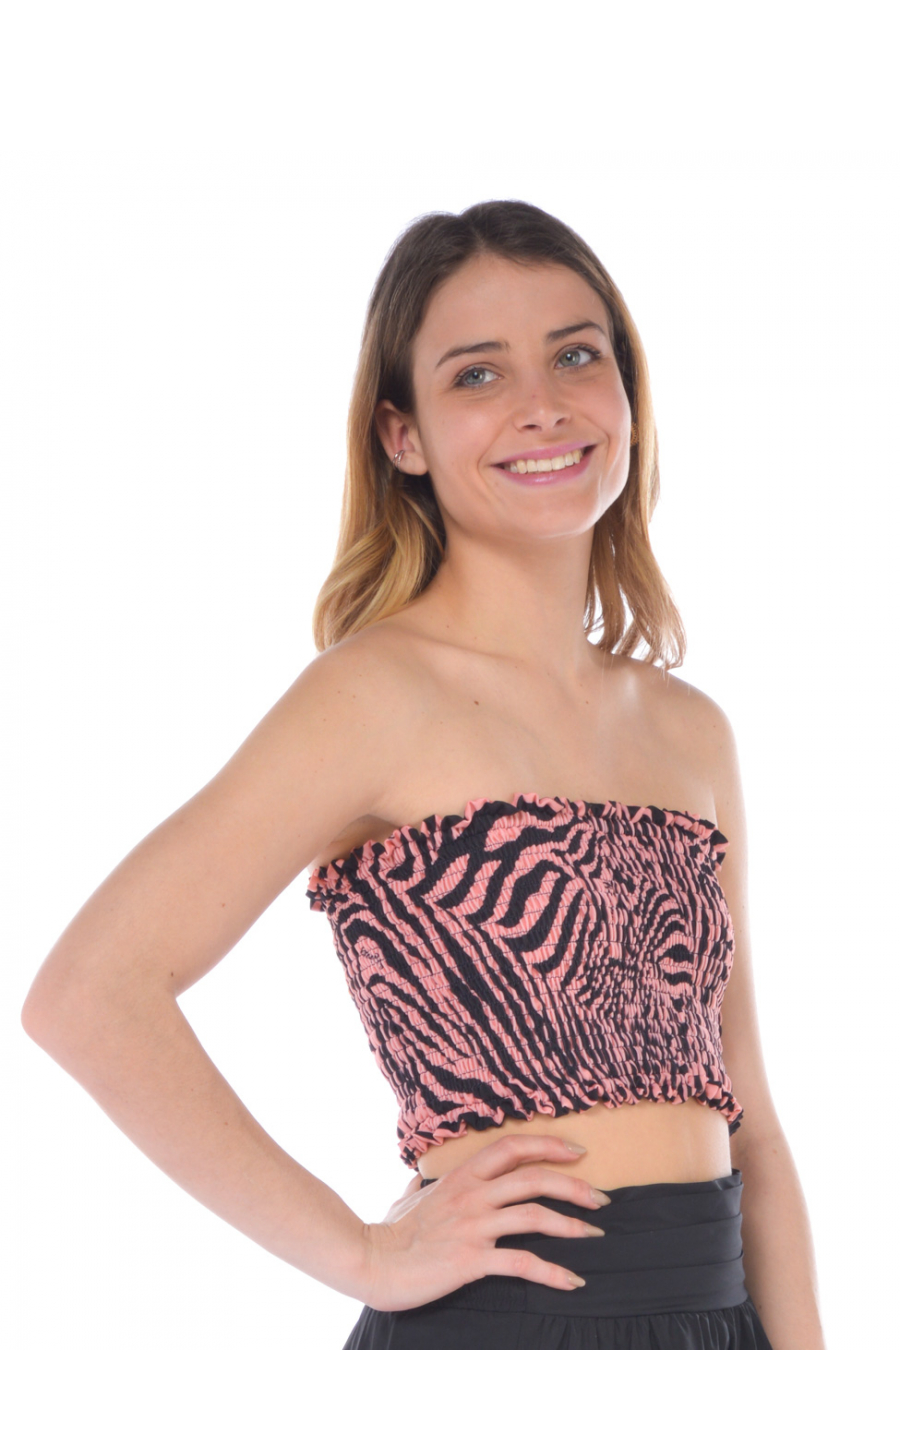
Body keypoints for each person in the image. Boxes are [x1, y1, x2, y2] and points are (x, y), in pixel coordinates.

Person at [21, 199, 825, 1350]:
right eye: (477, 375)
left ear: (628, 393)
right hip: (498, 1340)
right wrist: (361, 1252)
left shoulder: (692, 731)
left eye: (575, 355)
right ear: (403, 436)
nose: (542, 404)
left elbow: (754, 1130)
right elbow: (87, 995)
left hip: (719, 1328)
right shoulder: (372, 696)